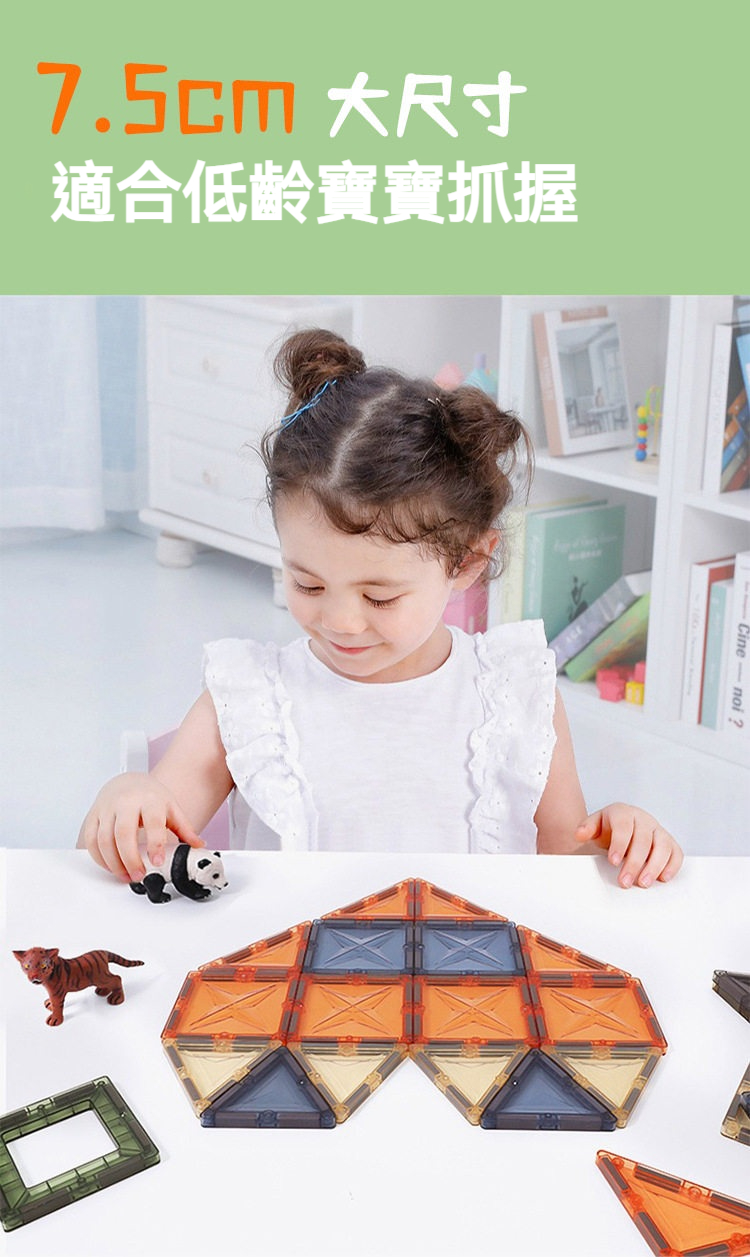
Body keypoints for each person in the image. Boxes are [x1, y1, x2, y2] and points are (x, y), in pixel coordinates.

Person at [79, 328, 683, 890]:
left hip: (467, 967)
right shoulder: (247, 698)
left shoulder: (515, 692)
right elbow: (128, 858)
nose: (341, 621)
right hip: (291, 966)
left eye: (379, 597)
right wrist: (125, 805)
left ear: (467, 562)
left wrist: (620, 839)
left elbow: (566, 867)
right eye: (307, 584)